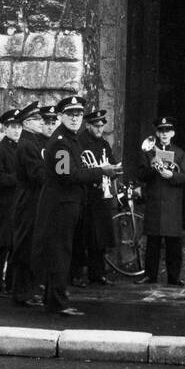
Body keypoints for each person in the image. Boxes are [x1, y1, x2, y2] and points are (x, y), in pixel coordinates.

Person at [32, 95, 122, 315]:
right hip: (60, 205)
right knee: (60, 253)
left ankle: (52, 298)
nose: (75, 119)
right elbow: (67, 175)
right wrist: (101, 171)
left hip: (67, 204)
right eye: (70, 115)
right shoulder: (62, 141)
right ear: (61, 116)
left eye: (79, 114)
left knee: (60, 252)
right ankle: (57, 303)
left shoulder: (71, 138)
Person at [8, 103, 56, 306]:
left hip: (34, 199)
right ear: (27, 123)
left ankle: (28, 290)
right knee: (25, 246)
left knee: (32, 246)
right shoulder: (28, 144)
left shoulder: (33, 141)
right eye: (37, 119)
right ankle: (21, 293)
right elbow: (36, 173)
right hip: (29, 200)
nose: (41, 122)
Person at [138, 117, 185, 285]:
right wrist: (152, 169)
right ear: (157, 133)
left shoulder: (180, 153)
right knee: (152, 242)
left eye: (167, 131)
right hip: (155, 201)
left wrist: (173, 175)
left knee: (173, 244)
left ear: (173, 133)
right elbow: (141, 175)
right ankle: (149, 275)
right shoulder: (149, 152)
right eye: (161, 131)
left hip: (172, 202)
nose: (164, 134)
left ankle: (174, 277)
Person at [79, 108, 119, 285]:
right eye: (96, 126)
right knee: (82, 237)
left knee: (100, 238)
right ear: (88, 125)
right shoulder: (80, 142)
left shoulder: (104, 144)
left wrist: (114, 171)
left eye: (101, 126)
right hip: (86, 196)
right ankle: (77, 274)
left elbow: (111, 162)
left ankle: (98, 273)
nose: (99, 130)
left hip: (102, 195)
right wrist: (100, 171)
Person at [0, 108, 21, 297]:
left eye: (18, 127)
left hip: (16, 205)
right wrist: (18, 179)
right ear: (4, 129)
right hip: (4, 206)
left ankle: (10, 283)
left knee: (14, 246)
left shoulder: (18, 149)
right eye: (12, 127)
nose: (16, 131)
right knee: (3, 247)